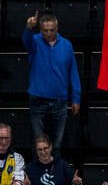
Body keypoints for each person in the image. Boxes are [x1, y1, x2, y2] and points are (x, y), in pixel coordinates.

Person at [22, 11, 82, 150]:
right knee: (39, 143)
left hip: (59, 101)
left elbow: (73, 72)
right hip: (38, 99)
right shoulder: (35, 41)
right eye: (45, 30)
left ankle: (56, 170)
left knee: (58, 143)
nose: (48, 33)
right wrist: (29, 28)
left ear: (57, 29)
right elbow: (26, 42)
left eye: (51, 30)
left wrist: (76, 98)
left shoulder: (67, 45)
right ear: (40, 29)